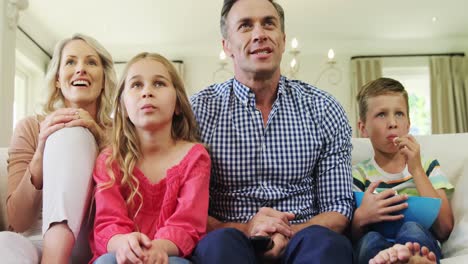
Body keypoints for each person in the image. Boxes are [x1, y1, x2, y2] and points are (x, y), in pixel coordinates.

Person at [190, 0, 354, 263]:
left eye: (269, 23)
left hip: (304, 237)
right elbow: (187, 211)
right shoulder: (197, 111)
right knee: (216, 246)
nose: (259, 34)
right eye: (245, 26)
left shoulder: (324, 108)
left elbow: (338, 208)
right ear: (227, 46)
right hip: (231, 238)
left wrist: (286, 232)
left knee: (328, 245)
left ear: (283, 38)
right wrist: (248, 229)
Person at [0, 33, 117, 263]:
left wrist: (101, 140)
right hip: (34, 238)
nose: (80, 69)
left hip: (91, 239)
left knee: (72, 133)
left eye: (91, 62)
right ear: (57, 78)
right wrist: (40, 153)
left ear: (103, 80)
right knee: (3, 243)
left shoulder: (120, 133)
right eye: (70, 62)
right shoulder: (30, 127)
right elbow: (17, 221)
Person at [90, 52, 210, 264]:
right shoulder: (109, 159)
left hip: (171, 255)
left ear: (178, 104)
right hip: (119, 253)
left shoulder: (195, 157)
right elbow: (107, 222)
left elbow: (187, 224)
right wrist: (125, 244)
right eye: (136, 85)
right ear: (123, 107)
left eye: (159, 83)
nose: (147, 92)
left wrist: (159, 248)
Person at [352, 77, 454, 264]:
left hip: (419, 244)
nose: (392, 123)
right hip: (375, 246)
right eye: (381, 114)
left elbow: (445, 227)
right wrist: (360, 217)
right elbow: (352, 234)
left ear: (408, 123)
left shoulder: (427, 166)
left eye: (399, 114)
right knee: (369, 239)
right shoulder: (358, 174)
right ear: (363, 128)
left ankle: (410, 258)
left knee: (412, 228)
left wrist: (416, 170)